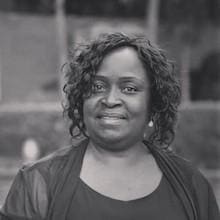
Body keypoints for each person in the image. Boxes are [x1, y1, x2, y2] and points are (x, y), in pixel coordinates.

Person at [0, 32, 219, 220]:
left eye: (129, 88)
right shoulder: (38, 184)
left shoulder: (191, 186)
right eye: (97, 86)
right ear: (81, 99)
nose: (110, 99)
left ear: (154, 104)